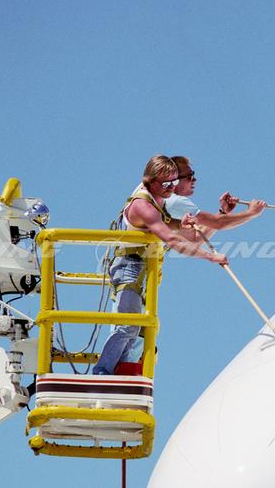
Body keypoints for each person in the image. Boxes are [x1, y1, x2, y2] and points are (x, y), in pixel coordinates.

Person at [92, 155, 265, 375]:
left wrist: (183, 222)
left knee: (138, 329)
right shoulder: (147, 205)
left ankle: (121, 373)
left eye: (174, 182)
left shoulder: (160, 199)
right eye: (170, 182)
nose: (172, 187)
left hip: (143, 269)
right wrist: (248, 216)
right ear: (151, 181)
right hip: (130, 266)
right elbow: (175, 239)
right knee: (128, 326)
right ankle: (103, 372)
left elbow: (192, 236)